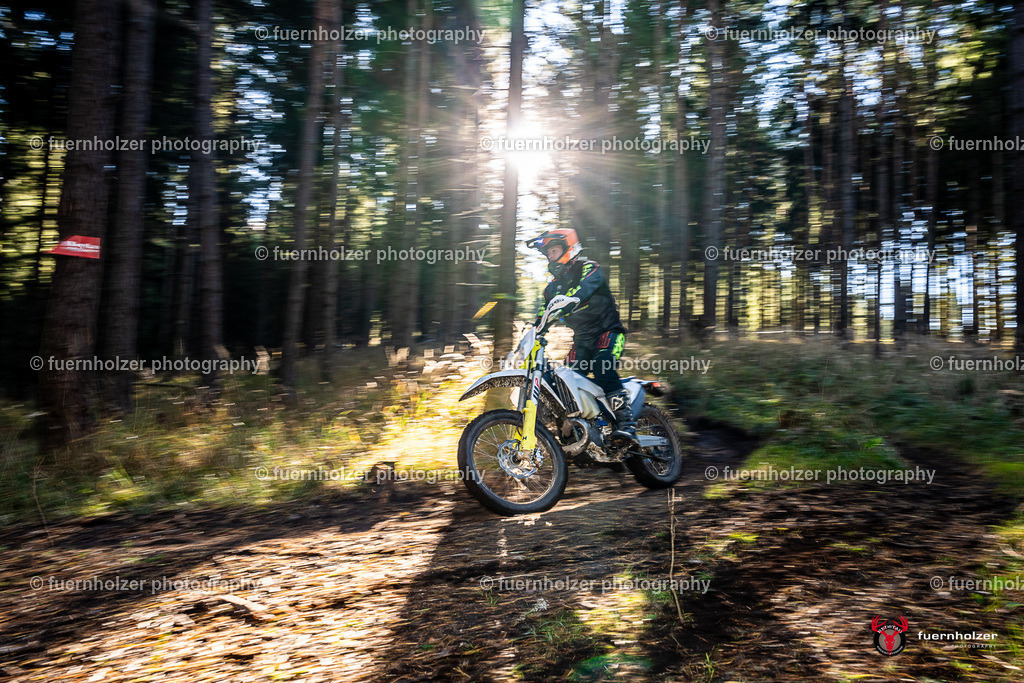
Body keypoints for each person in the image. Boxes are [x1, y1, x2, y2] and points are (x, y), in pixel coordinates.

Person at [527, 228, 637, 444]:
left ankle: (627, 424)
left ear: (569, 248)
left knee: (602, 365)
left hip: (608, 332)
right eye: (548, 253)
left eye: (554, 250)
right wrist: (533, 330)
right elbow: (543, 315)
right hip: (583, 341)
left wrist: (564, 303)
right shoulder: (550, 289)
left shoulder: (589, 268)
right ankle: (584, 434)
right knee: (564, 380)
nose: (550, 256)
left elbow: (583, 290)